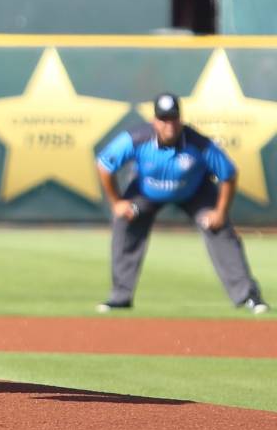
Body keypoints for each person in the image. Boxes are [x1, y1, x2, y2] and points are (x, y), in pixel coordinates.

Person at [94, 92, 268, 314]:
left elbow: (229, 175)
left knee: (219, 229)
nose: (169, 125)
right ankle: (120, 296)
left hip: (194, 191)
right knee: (125, 221)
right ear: (155, 121)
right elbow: (103, 165)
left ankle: (248, 296)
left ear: (181, 119)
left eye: (173, 119)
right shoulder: (136, 138)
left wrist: (220, 212)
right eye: (164, 119)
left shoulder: (199, 144)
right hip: (146, 191)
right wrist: (117, 202)